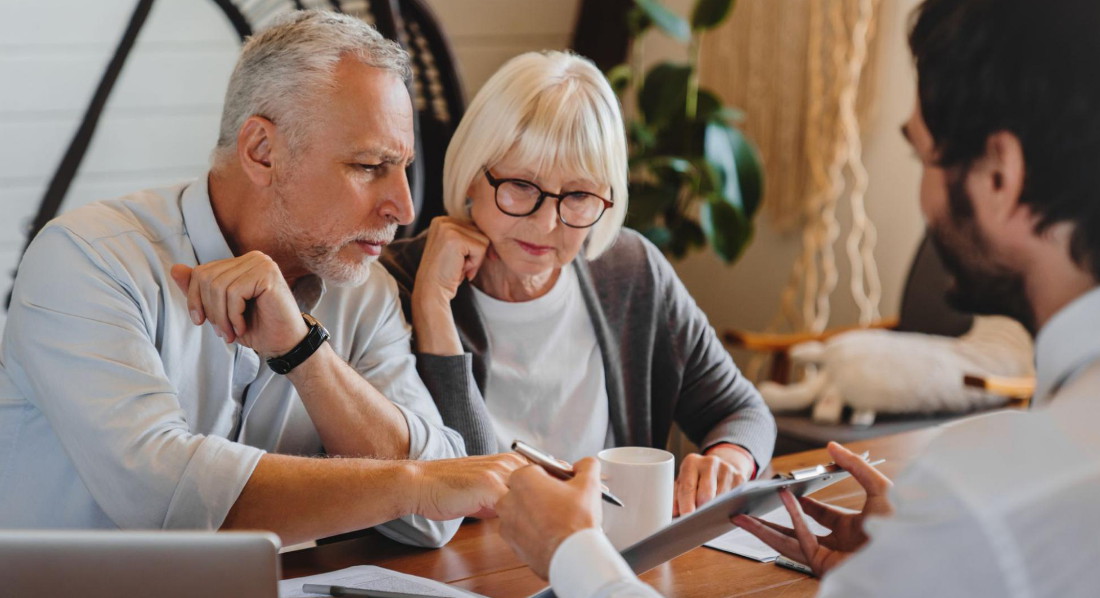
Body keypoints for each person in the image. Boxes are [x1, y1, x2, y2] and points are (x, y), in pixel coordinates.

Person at [496, 0, 1100, 595]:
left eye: (922, 156)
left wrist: (573, 555)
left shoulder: (985, 498)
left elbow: (740, 408)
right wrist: (903, 566)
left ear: (1000, 173)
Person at [0, 10, 524, 548]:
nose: (404, 206)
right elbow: (166, 504)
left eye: (402, 167)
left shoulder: (365, 288)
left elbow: (434, 520)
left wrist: (304, 351)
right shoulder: (86, 260)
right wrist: (413, 484)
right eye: (370, 166)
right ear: (261, 151)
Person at [381, 51, 776, 516]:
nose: (547, 222)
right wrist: (432, 308)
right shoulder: (397, 282)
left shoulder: (629, 269)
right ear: (471, 174)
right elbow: (457, 485)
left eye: (580, 195)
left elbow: (743, 412)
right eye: (522, 186)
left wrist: (729, 458)